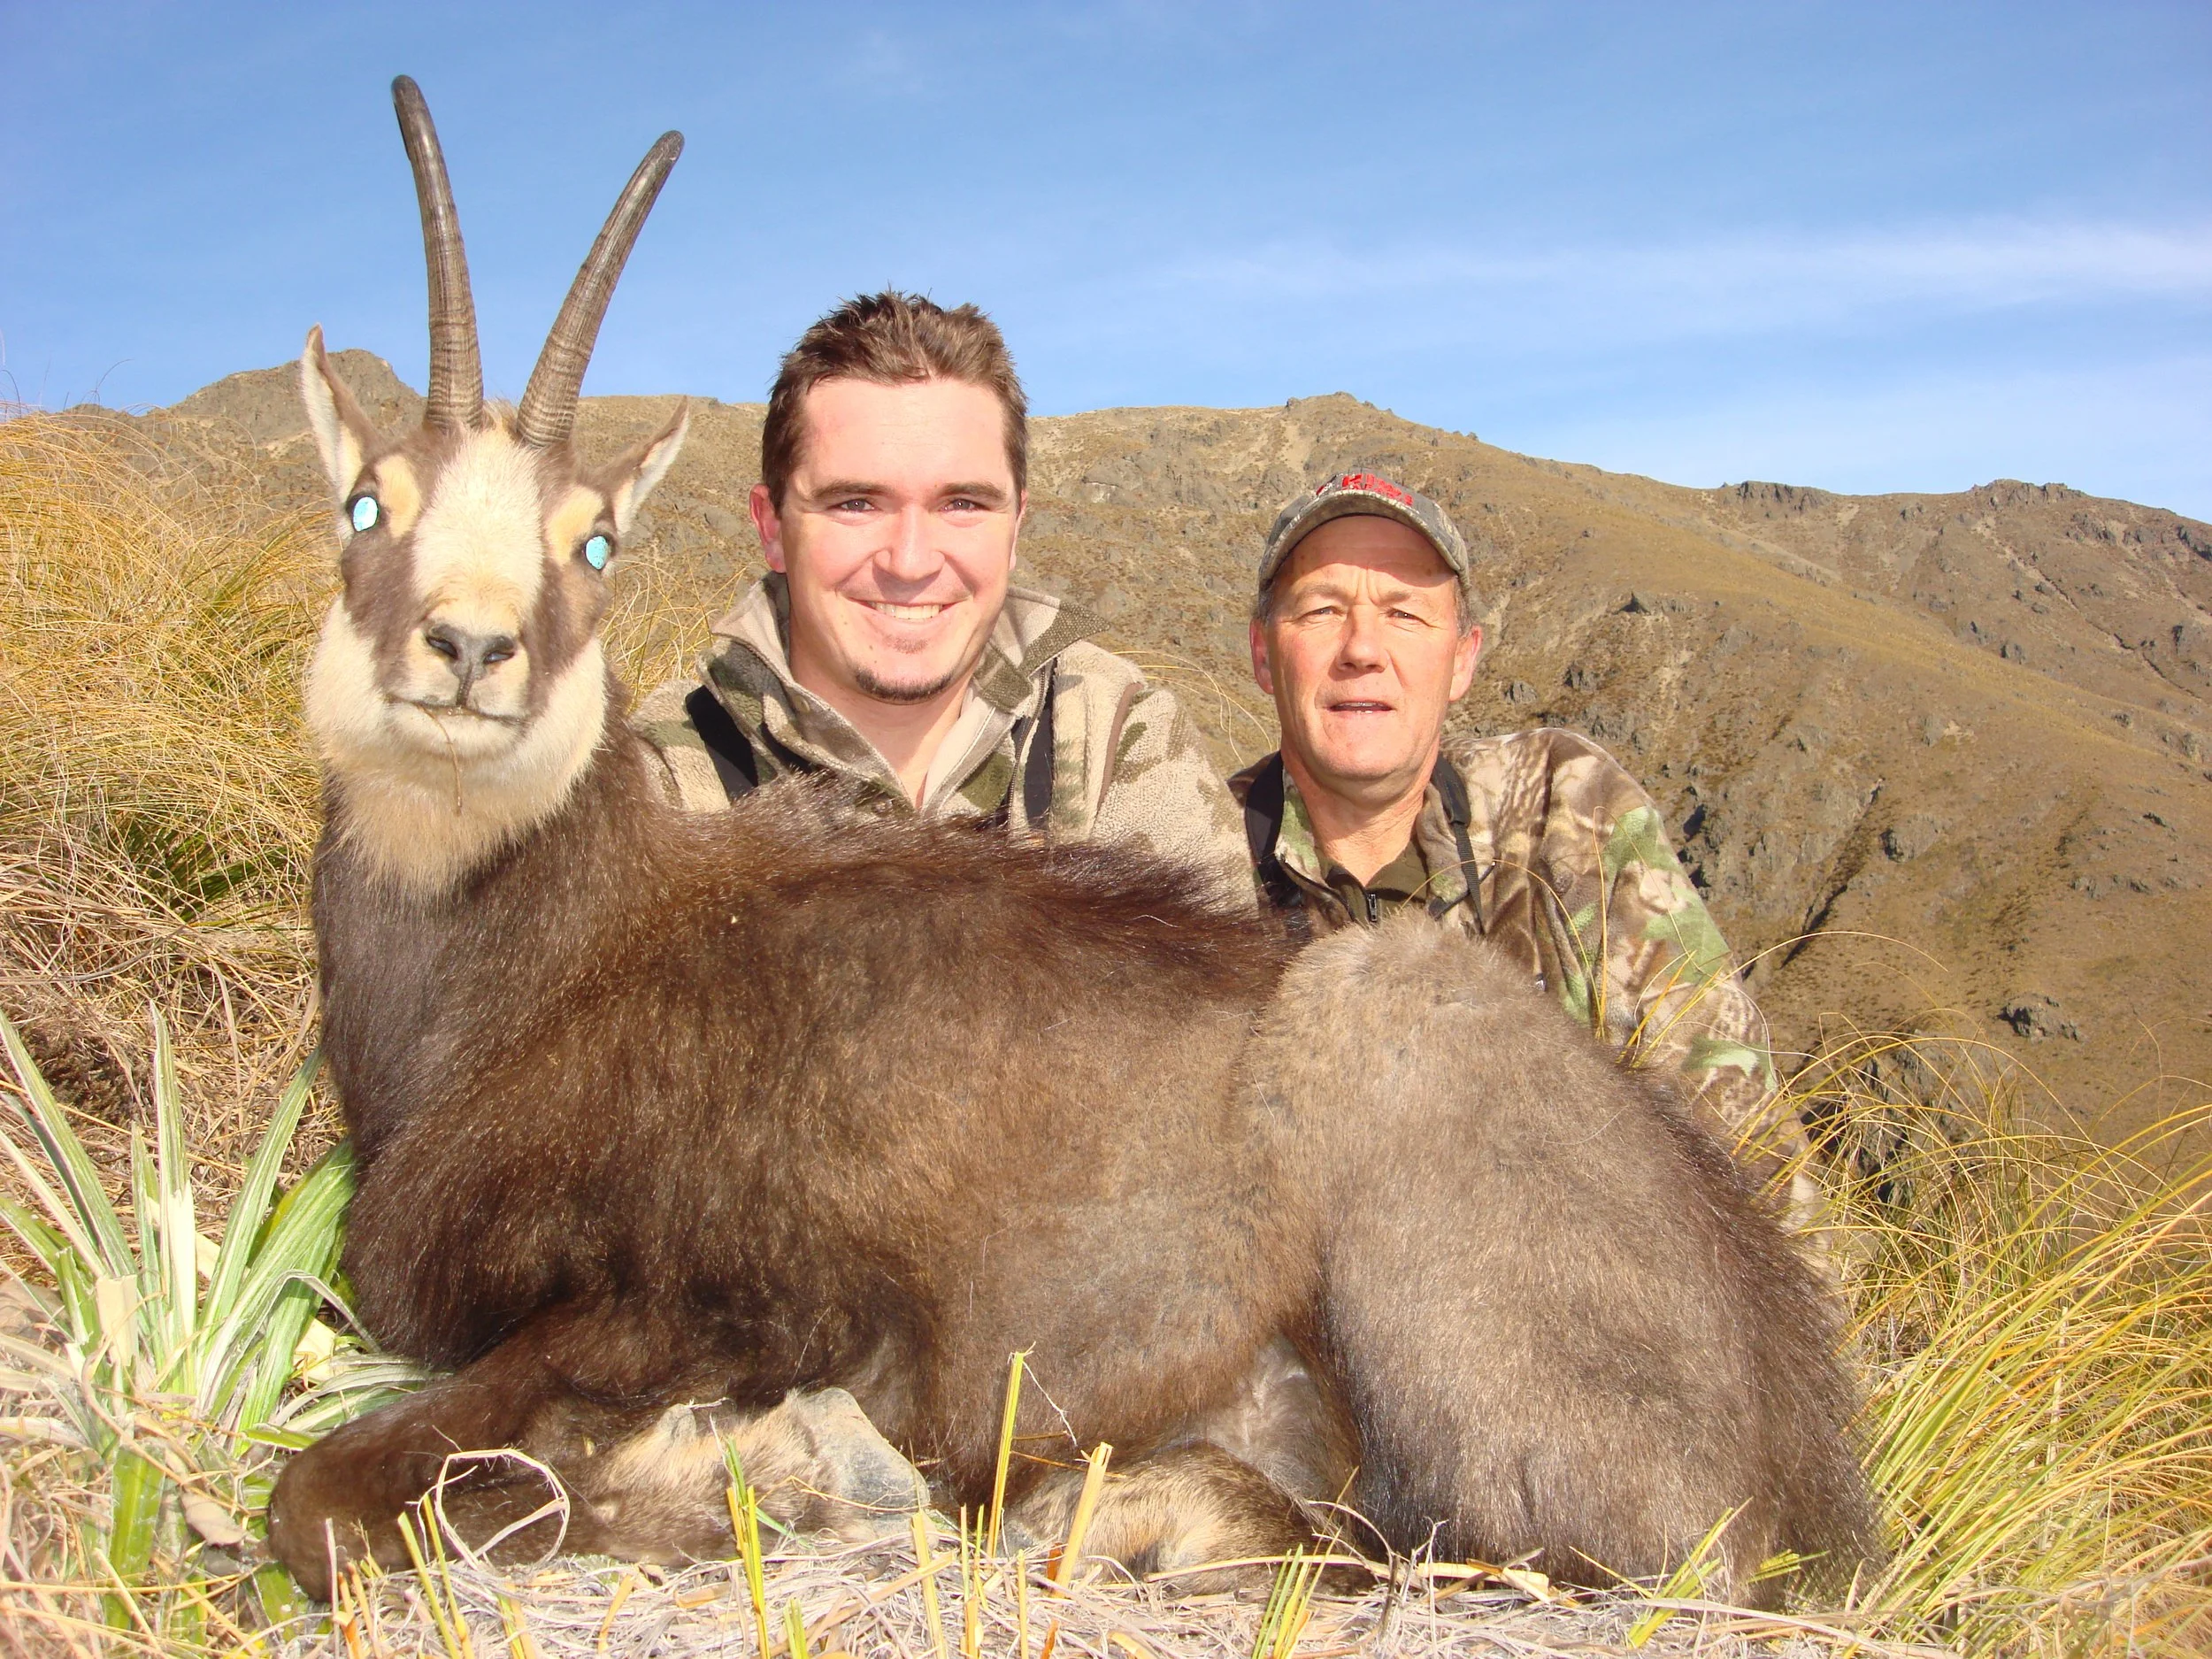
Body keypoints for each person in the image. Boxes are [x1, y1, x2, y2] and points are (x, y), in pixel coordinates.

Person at [1233, 472, 1821, 1224]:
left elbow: (1751, 1160)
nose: (1362, 648)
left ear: (1465, 657)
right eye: (1321, 610)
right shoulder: (1195, 855)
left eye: (1405, 613)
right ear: (1261, 651)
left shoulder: (1564, 810)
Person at [634, 292, 1250, 904]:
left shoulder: (1117, 737)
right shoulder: (653, 790)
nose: (910, 561)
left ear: (1015, 526)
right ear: (772, 527)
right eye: (856, 503)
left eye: (962, 504)